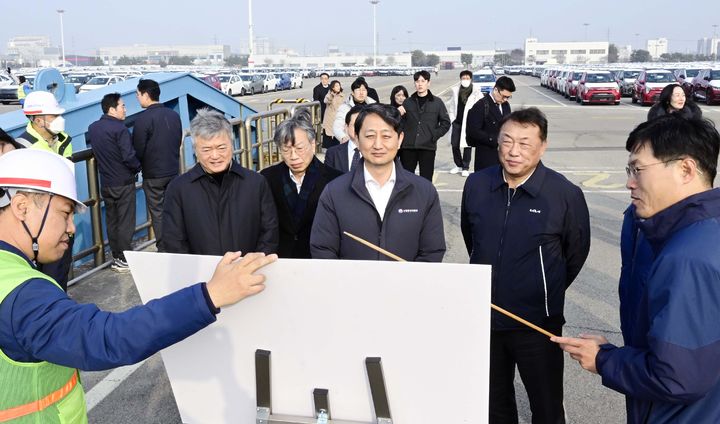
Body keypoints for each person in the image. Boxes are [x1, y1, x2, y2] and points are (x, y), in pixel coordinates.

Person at [0, 148, 276, 423]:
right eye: (65, 213)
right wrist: (210, 294)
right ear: (22, 207)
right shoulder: (23, 294)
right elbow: (109, 338)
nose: (71, 227)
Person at [553, 116, 720, 424]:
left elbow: (677, 377)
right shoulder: (688, 228)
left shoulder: (687, 256)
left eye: (638, 170)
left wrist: (603, 359)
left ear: (686, 169)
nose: (629, 182)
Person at [460, 108, 591, 424]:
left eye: (525, 143)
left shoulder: (564, 194)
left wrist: (544, 288)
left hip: (537, 324)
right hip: (486, 319)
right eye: (507, 141)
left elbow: (575, 253)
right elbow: (471, 237)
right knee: (494, 406)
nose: (513, 151)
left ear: (543, 146)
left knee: (546, 407)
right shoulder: (477, 185)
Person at [311, 103, 446, 261]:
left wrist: (407, 283)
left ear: (399, 139)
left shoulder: (424, 191)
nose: (377, 145)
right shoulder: (334, 192)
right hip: (352, 284)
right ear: (357, 138)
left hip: (406, 285)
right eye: (369, 136)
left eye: (386, 136)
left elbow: (432, 251)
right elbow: (323, 249)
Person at [162, 109, 278, 255]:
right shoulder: (179, 189)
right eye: (206, 149)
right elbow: (174, 241)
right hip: (202, 276)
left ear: (232, 144)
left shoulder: (256, 183)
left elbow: (269, 232)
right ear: (195, 151)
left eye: (221, 147)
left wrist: (253, 265)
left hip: (249, 273)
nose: (215, 156)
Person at [15, 91, 75, 289]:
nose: (60, 120)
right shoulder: (22, 147)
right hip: (38, 225)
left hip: (64, 219)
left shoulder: (65, 140)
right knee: (43, 278)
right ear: (39, 120)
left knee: (61, 273)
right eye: (55, 116)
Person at [261, 115, 342, 258]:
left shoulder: (334, 180)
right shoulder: (268, 178)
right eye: (286, 150)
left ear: (312, 144)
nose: (293, 156)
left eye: (299, 148)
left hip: (318, 259)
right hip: (279, 259)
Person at [86, 93, 141, 272]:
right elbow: (128, 156)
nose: (125, 109)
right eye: (122, 106)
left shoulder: (93, 128)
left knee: (112, 220)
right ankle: (125, 258)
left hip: (106, 182)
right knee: (126, 221)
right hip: (123, 181)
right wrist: (137, 167)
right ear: (112, 109)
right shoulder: (120, 129)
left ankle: (116, 256)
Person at [132, 79, 182, 252]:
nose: (137, 98)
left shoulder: (142, 119)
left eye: (138, 94)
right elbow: (178, 140)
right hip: (173, 170)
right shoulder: (174, 115)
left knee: (158, 213)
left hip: (153, 175)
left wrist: (136, 167)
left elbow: (138, 148)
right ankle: (178, 242)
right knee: (175, 210)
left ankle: (164, 247)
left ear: (146, 95)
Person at [398, 70, 451, 182]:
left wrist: (434, 135)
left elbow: (446, 123)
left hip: (427, 146)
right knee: (406, 179)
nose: (420, 84)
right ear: (414, 84)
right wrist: (398, 113)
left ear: (428, 83)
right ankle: (408, 199)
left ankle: (425, 199)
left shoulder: (437, 102)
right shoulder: (407, 102)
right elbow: (399, 123)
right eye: (417, 81)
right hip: (408, 147)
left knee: (426, 180)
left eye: (423, 81)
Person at [465, 75, 516, 172]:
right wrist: (494, 139)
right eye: (504, 96)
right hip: (486, 156)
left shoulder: (505, 105)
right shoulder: (480, 106)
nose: (505, 100)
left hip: (504, 156)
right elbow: (473, 131)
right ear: (496, 90)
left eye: (508, 97)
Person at [448, 70, 483, 177]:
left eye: (467, 78)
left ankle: (465, 167)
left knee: (467, 145)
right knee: (454, 144)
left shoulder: (476, 91)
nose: (465, 80)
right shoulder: (455, 90)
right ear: (460, 79)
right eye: (463, 78)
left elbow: (481, 105)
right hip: (457, 121)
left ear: (471, 79)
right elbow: (451, 104)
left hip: (469, 122)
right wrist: (451, 118)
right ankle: (458, 164)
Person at [332, 78, 376, 144]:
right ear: (352, 92)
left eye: (364, 90)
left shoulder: (373, 105)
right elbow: (337, 127)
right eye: (358, 90)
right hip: (352, 141)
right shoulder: (345, 107)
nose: (361, 93)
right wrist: (343, 137)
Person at [324, 105, 365, 174]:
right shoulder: (333, 153)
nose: (358, 129)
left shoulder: (376, 151)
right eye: (355, 125)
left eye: (362, 125)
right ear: (346, 127)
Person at [321, 80, 344, 148]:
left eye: (339, 85)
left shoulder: (342, 95)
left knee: (338, 135)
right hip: (330, 119)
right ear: (333, 87)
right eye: (336, 86)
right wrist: (331, 95)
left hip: (339, 117)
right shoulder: (329, 95)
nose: (338, 87)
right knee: (329, 135)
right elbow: (325, 101)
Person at [313, 72, 331, 147]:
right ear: (320, 79)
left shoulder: (331, 88)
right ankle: (324, 144)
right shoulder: (317, 88)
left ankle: (331, 143)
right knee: (324, 127)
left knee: (331, 126)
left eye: (326, 79)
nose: (324, 80)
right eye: (322, 79)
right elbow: (315, 101)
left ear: (328, 79)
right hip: (322, 111)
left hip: (331, 111)